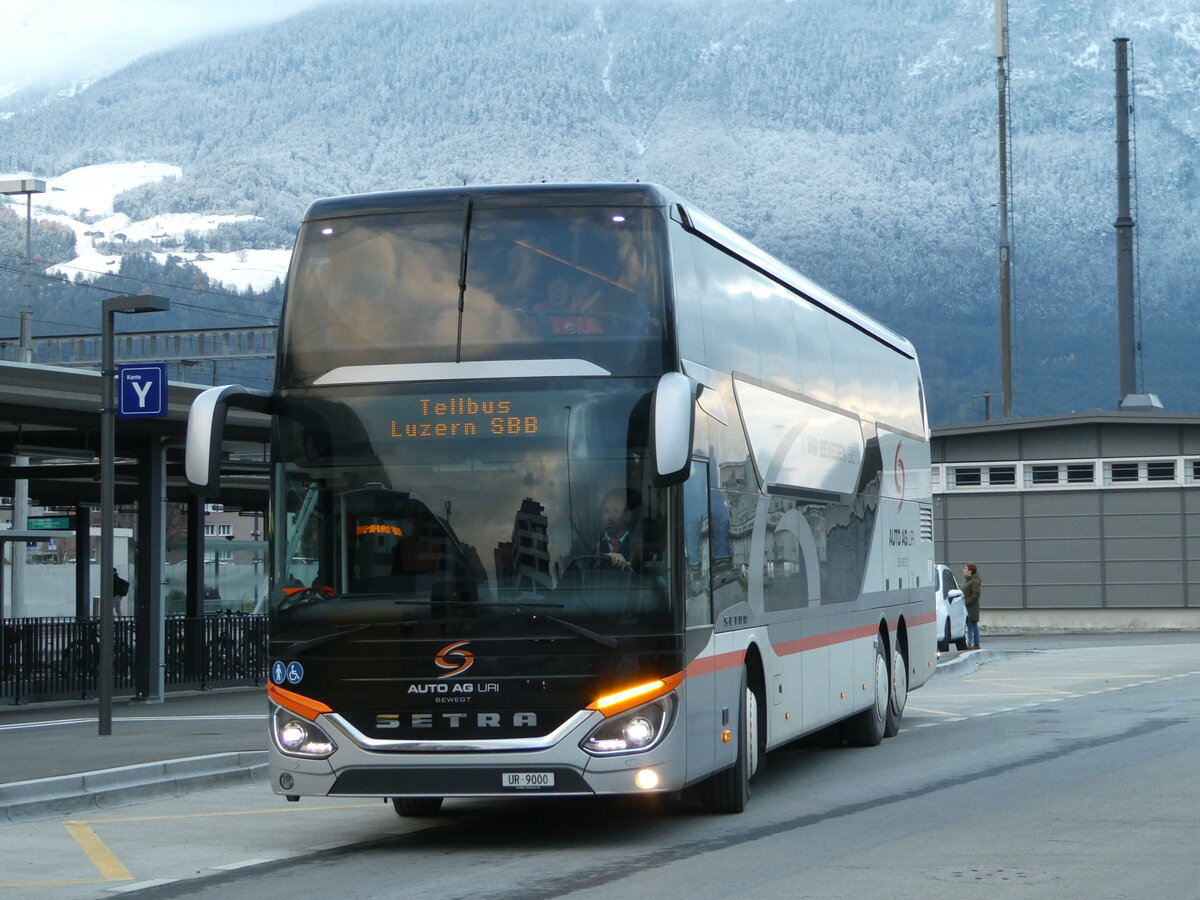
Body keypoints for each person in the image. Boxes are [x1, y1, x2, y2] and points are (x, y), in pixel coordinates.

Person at [596, 488, 639, 572]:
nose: (610, 517)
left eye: (616, 511)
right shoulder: (591, 544)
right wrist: (601, 557)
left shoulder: (638, 545)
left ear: (628, 516)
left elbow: (646, 578)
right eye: (606, 511)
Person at [962, 563, 982, 650]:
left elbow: (976, 594)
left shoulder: (974, 581)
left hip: (971, 607)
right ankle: (969, 643)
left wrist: (966, 602)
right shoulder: (968, 580)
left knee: (973, 624)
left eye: (965, 569)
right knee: (969, 625)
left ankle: (976, 643)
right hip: (967, 607)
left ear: (970, 571)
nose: (963, 570)